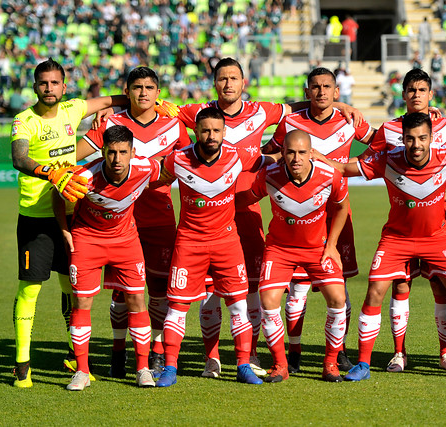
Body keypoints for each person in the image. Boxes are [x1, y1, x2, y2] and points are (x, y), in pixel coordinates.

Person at [157, 57, 362, 378]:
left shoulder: (261, 111)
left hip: (248, 215)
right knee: (209, 294)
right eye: (222, 79)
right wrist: (109, 109)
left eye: (234, 78)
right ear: (215, 83)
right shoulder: (196, 113)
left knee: (250, 291)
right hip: (203, 220)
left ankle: (249, 354)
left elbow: (299, 105)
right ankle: (211, 357)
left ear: (243, 82)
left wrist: (339, 102)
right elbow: (153, 106)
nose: (228, 84)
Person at [319, 112, 446, 382]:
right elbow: (346, 169)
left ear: (431, 138)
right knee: (375, 292)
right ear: (403, 139)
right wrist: (320, 159)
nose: (416, 144)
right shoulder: (388, 159)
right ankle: (364, 364)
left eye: (422, 138)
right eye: (411, 139)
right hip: (396, 239)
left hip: (437, 238)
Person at [10, 58, 126, 387]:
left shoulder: (73, 109)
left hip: (74, 217)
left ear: (64, 86)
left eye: (54, 83)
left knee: (71, 288)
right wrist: (50, 172)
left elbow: (113, 99)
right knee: (30, 290)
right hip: (35, 218)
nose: (49, 88)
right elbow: (19, 157)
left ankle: (77, 357)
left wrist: (111, 109)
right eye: (43, 83)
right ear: (35, 87)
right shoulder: (24, 120)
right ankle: (23, 365)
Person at [77, 66, 191, 379]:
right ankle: (118, 350)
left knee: (157, 288)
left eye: (149, 87)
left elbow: (188, 162)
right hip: (115, 225)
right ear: (127, 91)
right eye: (137, 87)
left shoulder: (174, 124)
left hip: (159, 216)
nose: (143, 93)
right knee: (120, 293)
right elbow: (77, 154)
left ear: (158, 93)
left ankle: (154, 351)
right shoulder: (111, 123)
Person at [363, 68, 446, 373]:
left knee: (442, 288)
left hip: (436, 225)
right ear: (403, 95)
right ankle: (399, 353)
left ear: (430, 94)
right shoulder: (387, 130)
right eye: (411, 90)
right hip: (402, 223)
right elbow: (366, 161)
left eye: (422, 90)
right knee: (401, 288)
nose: (416, 95)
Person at [263, 67, 374, 374]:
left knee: (339, 286)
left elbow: (380, 147)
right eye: (316, 87)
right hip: (294, 216)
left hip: (337, 214)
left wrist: (340, 165)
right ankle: (294, 351)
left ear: (336, 92)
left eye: (328, 87)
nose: (322, 92)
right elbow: (271, 153)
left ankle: (338, 354)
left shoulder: (351, 120)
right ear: (307, 91)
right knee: (296, 288)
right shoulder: (290, 122)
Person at [155, 107, 276, 387]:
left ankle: (243, 364)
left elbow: (268, 160)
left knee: (238, 305)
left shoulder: (238, 155)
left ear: (224, 132)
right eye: (205, 130)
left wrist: (310, 157)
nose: (211, 136)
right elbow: (153, 179)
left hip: (226, 242)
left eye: (216, 131)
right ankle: (170, 367)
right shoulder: (177, 160)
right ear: (195, 132)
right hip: (189, 243)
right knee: (177, 307)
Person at [53, 125, 162, 390]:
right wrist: (65, 231)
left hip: (126, 241)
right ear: (102, 151)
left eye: (123, 152)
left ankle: (142, 368)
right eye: (111, 152)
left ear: (132, 152)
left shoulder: (146, 169)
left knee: (137, 299)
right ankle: (81, 371)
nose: (117, 159)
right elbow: (56, 195)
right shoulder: (83, 176)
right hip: (87, 239)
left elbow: (168, 168)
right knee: (82, 302)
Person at [237, 130, 350, 382]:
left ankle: (330, 363)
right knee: (268, 301)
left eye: (301, 152)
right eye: (290, 152)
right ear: (283, 154)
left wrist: (332, 245)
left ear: (311, 153)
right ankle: (280, 365)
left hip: (317, 249)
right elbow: (247, 198)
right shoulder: (269, 175)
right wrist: (219, 201)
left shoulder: (330, 175)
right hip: (279, 249)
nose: (296, 158)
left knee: (338, 299)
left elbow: (342, 208)